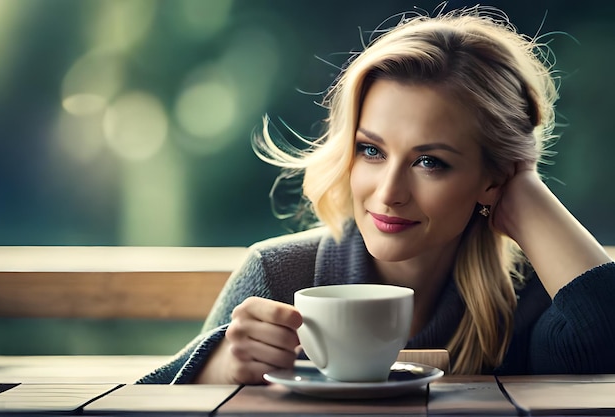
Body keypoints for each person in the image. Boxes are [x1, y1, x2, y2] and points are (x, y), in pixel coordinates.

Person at [138, 5, 615, 384]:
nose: (389, 193)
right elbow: (142, 400)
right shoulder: (278, 274)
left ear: (492, 177)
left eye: (431, 162)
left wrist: (526, 193)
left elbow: (605, 341)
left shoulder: (533, 300)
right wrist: (220, 369)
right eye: (370, 150)